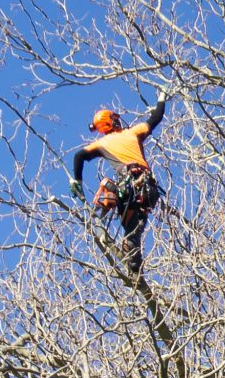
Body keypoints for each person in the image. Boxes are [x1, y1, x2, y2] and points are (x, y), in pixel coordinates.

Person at [70, 95, 170, 270]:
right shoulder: (133, 132)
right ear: (112, 121)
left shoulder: (103, 142)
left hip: (130, 188)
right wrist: (162, 97)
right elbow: (156, 117)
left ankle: (103, 211)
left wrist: (76, 180)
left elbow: (79, 156)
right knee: (134, 230)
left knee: (108, 186)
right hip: (149, 190)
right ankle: (134, 262)